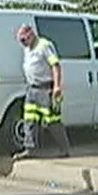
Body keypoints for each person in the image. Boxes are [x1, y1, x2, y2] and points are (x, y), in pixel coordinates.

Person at [14, 24, 72, 159]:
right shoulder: (27, 49)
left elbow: (55, 65)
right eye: (21, 41)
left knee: (52, 120)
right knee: (29, 120)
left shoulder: (44, 45)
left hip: (46, 88)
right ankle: (30, 149)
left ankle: (64, 148)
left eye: (24, 40)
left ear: (30, 34)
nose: (23, 44)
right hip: (32, 88)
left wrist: (57, 86)